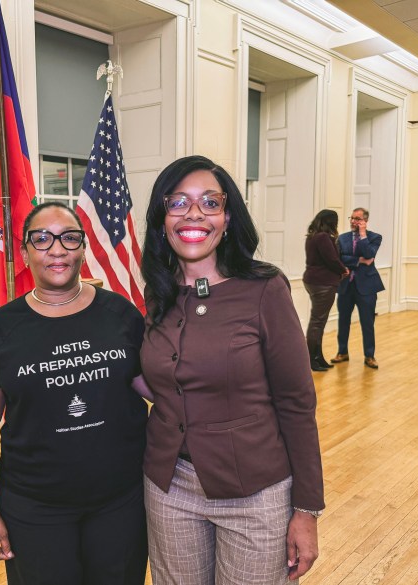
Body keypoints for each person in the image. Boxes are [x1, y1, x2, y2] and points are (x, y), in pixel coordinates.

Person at [138, 155, 324, 585]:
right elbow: (163, 380)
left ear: (227, 217)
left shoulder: (265, 289)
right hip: (170, 488)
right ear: (162, 218)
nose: (194, 214)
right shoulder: (158, 292)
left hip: (256, 494)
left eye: (210, 202)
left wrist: (306, 510)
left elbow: (297, 404)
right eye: (178, 202)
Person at [0, 201, 149, 585]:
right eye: (42, 239)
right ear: (26, 252)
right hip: (34, 506)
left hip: (121, 500)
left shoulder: (121, 315)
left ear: (83, 247)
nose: (57, 248)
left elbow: (154, 390)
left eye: (69, 237)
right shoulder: (0, 330)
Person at [331, 207, 384, 369]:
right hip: (346, 285)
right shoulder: (342, 238)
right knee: (343, 321)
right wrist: (358, 261)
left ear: (365, 221)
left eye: (357, 219)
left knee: (367, 322)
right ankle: (342, 352)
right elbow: (339, 258)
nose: (353, 221)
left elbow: (369, 254)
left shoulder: (375, 237)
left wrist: (362, 236)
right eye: (352, 218)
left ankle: (369, 356)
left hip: (367, 287)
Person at [303, 210, 348, 372]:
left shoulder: (312, 236)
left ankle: (318, 357)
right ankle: (311, 360)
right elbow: (332, 259)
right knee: (317, 322)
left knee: (318, 322)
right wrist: (344, 270)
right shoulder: (323, 237)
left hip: (313, 281)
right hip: (323, 283)